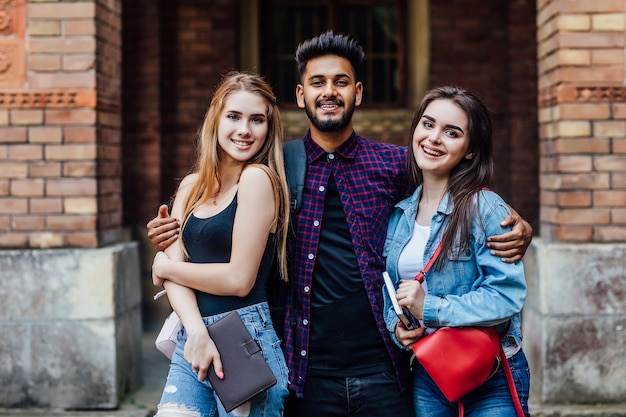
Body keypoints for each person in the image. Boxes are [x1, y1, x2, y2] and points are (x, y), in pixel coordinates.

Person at [147, 31, 533, 417]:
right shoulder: (277, 167)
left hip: (386, 368)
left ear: (358, 93)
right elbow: (217, 212)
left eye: (341, 82)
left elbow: (454, 195)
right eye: (317, 82)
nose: (329, 91)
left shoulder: (397, 164)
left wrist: (515, 225)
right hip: (306, 372)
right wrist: (171, 235)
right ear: (301, 96)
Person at [383, 86, 530, 417]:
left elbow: (506, 296)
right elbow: (389, 287)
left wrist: (430, 307)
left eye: (452, 133)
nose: (434, 138)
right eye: (428, 124)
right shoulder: (400, 214)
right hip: (430, 371)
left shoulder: (484, 207)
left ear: (469, 151)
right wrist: (397, 326)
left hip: (489, 372)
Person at [150, 71, 290, 417]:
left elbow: (238, 280)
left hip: (244, 337)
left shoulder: (258, 180)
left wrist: (168, 267)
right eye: (234, 117)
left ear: (268, 129)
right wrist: (196, 331)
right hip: (192, 332)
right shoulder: (191, 187)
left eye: (256, 120)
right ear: (216, 120)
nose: (244, 130)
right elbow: (173, 279)